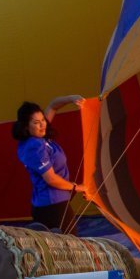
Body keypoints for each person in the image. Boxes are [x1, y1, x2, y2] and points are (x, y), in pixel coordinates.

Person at [11, 97, 85, 232]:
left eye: (43, 120)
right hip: (51, 205)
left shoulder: (40, 135)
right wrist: (78, 187)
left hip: (53, 202)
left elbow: (53, 105)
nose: (43, 125)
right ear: (26, 126)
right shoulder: (33, 145)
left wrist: (72, 98)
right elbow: (50, 178)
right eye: (37, 122)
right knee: (70, 247)